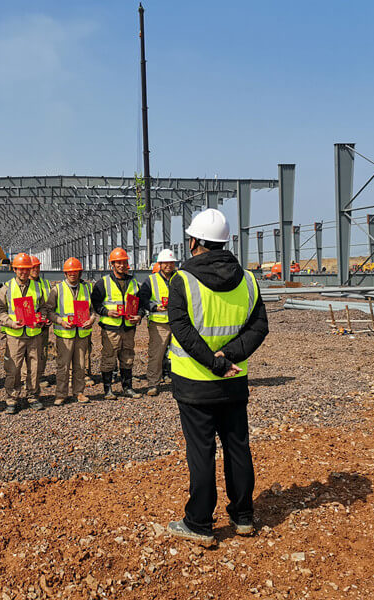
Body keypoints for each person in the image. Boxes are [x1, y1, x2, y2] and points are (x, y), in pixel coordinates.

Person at [165, 208, 269, 545]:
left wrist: (214, 362)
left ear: (194, 241)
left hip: (195, 384)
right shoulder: (249, 280)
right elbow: (259, 327)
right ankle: (243, 516)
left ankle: (198, 522)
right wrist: (230, 357)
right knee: (238, 448)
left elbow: (182, 330)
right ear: (225, 243)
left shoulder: (182, 279)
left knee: (202, 452)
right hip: (234, 382)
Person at [0, 252, 47, 413]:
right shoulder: (7, 288)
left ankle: (32, 396)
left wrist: (41, 318)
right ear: (14, 269)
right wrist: (10, 322)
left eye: (26, 269)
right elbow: (0, 310)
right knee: (13, 369)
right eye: (20, 269)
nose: (23, 272)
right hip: (15, 335)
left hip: (33, 334)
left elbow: (43, 307)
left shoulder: (37, 287)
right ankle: (12, 399)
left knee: (34, 367)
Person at [91, 247, 143, 399]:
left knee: (128, 357)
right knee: (108, 357)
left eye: (124, 262)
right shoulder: (103, 283)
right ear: (111, 264)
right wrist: (107, 312)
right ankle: (107, 390)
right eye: (118, 263)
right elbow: (95, 303)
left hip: (128, 327)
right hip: (111, 328)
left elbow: (141, 303)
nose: (121, 265)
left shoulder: (133, 282)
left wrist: (139, 316)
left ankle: (128, 388)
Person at [45, 257, 97, 405]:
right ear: (65, 273)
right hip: (64, 334)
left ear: (80, 273)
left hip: (82, 333)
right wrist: (61, 321)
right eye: (70, 272)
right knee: (63, 365)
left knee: (80, 365)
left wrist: (91, 320)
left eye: (75, 271)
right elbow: (49, 311)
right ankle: (61, 394)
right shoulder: (57, 289)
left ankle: (79, 392)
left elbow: (93, 310)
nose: (72, 274)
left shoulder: (87, 288)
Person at [138, 248, 177, 396]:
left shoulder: (179, 278)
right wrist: (154, 307)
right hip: (159, 323)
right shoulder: (151, 280)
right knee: (157, 354)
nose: (168, 265)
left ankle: (179, 382)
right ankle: (153, 384)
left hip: (177, 322)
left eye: (171, 263)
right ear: (160, 264)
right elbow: (143, 299)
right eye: (165, 263)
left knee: (180, 353)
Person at [30, 255, 53, 388]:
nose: (36, 269)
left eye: (38, 267)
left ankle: (40, 375)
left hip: (44, 324)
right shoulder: (25, 284)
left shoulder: (45, 283)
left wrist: (49, 318)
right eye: (33, 267)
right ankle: (27, 377)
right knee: (30, 351)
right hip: (30, 325)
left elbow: (50, 303)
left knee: (42, 350)